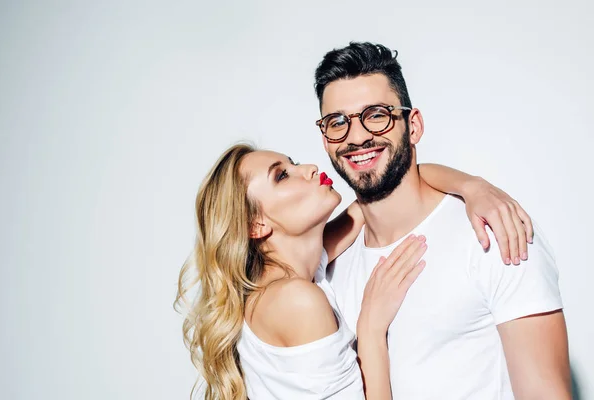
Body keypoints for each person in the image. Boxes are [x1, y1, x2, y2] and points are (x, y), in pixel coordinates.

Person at [175, 143, 535, 399]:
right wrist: (371, 327)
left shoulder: (286, 276)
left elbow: (389, 188)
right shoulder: (297, 300)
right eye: (282, 176)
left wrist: (473, 187)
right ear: (256, 224)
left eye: (294, 162)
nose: (309, 169)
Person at [314, 42, 570, 399]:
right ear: (325, 140)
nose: (357, 137)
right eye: (337, 122)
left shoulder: (492, 232)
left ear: (413, 125)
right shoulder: (324, 269)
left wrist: (471, 186)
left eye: (377, 115)